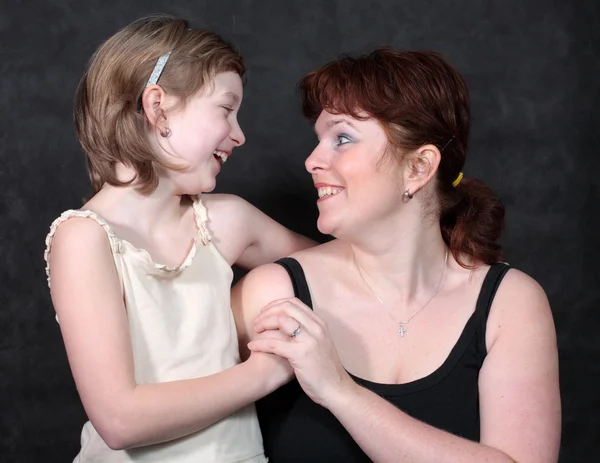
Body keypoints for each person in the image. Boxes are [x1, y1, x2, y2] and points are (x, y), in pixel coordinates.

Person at [232, 48, 561, 462]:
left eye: (343, 138)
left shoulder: (508, 304)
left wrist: (339, 391)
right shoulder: (274, 294)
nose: (312, 161)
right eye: (319, 140)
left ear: (419, 168)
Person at [43, 15, 313, 462]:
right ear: (158, 108)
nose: (241, 135)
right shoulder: (84, 239)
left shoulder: (227, 221)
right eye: (226, 109)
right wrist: (266, 372)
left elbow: (342, 270)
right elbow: (119, 419)